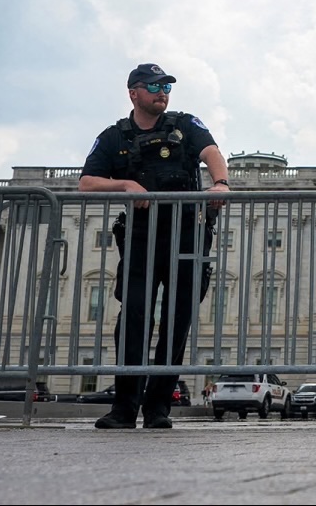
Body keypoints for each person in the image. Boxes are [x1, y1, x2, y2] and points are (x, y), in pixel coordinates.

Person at [80, 63, 230, 429]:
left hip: (187, 235)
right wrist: (125, 186)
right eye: (153, 86)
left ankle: (158, 408)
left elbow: (211, 152)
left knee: (178, 322)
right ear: (133, 92)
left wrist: (221, 183)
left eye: (166, 86)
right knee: (133, 319)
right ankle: (124, 408)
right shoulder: (115, 136)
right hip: (142, 237)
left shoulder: (185, 124)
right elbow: (86, 182)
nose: (162, 91)